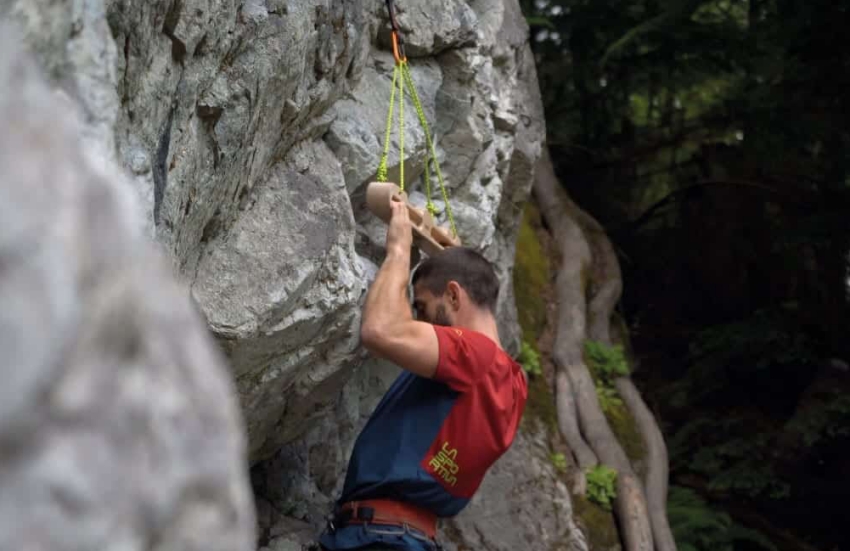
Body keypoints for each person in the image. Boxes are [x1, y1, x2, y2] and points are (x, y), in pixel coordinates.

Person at [317, 199, 528, 550]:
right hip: (406, 537)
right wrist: (454, 263)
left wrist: (399, 251)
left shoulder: (477, 356)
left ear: (454, 295)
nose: (421, 321)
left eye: (423, 307)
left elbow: (381, 330)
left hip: (382, 538)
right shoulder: (513, 384)